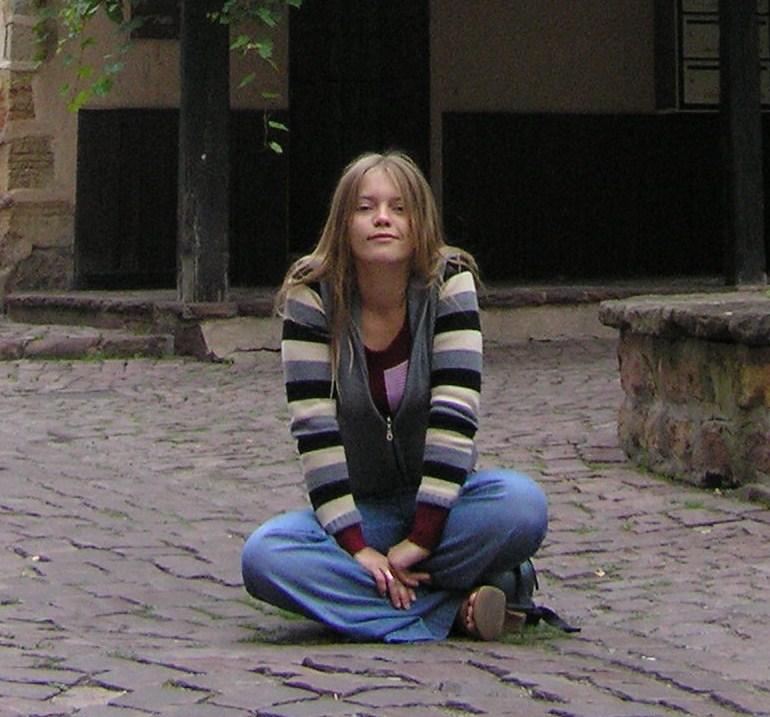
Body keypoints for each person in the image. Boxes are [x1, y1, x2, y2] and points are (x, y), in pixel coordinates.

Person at [241, 150, 548, 643]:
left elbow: (455, 415)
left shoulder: (449, 284)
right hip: (365, 515)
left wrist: (421, 539)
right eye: (365, 208)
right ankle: (466, 602)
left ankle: (381, 601)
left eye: (398, 208)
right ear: (343, 223)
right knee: (266, 555)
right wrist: (358, 548)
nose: (382, 218)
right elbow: (314, 430)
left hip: (447, 510)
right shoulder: (311, 297)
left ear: (418, 222)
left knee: (521, 505)